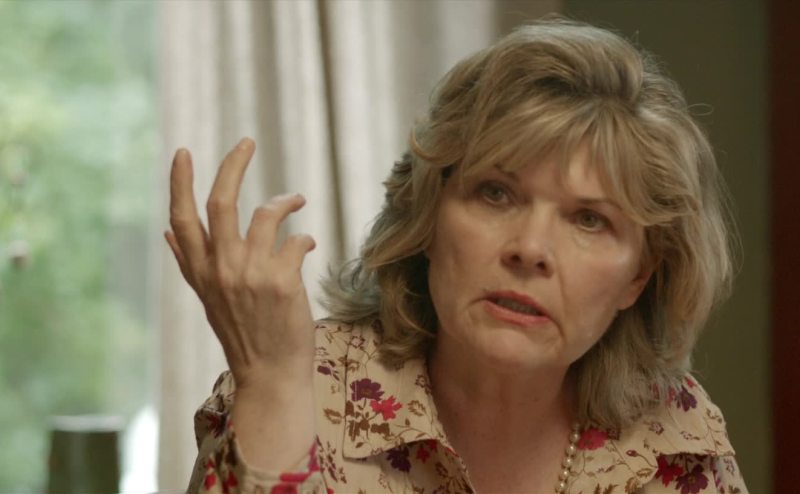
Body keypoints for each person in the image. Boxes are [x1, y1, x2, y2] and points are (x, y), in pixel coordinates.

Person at [168, 17, 748, 494]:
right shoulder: (288, 380)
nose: (530, 250)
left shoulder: (677, 438)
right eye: (496, 194)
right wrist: (270, 386)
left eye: (589, 220)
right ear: (429, 214)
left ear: (638, 276)